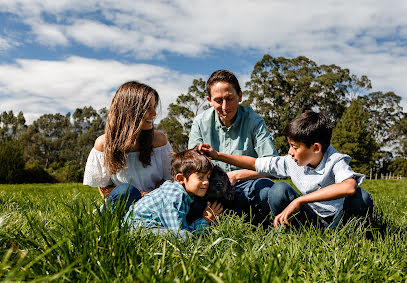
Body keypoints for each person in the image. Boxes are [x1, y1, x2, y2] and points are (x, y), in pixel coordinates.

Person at [199, 110, 373, 229]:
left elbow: (349, 186)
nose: (290, 152)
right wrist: (218, 155)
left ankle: (352, 233)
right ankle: (297, 232)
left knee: (362, 197)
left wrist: (300, 201)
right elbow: (254, 163)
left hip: (339, 220)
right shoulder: (291, 161)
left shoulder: (335, 160)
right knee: (279, 190)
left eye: (294, 147)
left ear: (316, 148)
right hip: (311, 219)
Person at [188, 69, 278, 224]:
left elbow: (273, 166)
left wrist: (237, 175)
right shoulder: (200, 123)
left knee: (266, 190)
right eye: (218, 100)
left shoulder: (254, 121)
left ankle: (257, 224)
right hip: (211, 188)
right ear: (209, 100)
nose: (224, 106)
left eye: (229, 99)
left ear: (240, 96)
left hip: (247, 186)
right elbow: (190, 166)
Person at [83, 81, 172, 211]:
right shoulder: (103, 143)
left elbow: (169, 179)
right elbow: (104, 189)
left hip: (156, 203)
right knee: (126, 190)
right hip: (123, 204)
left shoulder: (159, 140)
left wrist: (150, 197)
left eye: (154, 107)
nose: (154, 113)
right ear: (129, 110)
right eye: (148, 108)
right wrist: (139, 195)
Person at [123, 147, 223, 237]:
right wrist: (205, 220)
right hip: (138, 231)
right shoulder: (174, 196)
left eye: (208, 177)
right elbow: (179, 233)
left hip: (140, 228)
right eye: (200, 177)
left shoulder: (180, 193)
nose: (206, 182)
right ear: (180, 179)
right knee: (184, 237)